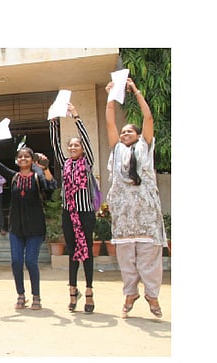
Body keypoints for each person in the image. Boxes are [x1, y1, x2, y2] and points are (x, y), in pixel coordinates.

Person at [105, 78, 167, 319]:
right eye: (122, 132)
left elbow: (148, 118)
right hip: (124, 216)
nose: (124, 134)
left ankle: (152, 295)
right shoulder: (117, 149)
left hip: (146, 215)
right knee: (126, 258)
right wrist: (111, 97)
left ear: (138, 134)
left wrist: (136, 92)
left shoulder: (144, 147)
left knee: (149, 258)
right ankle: (130, 294)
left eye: (129, 131)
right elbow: (109, 122)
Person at [0, 136, 57, 309]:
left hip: (35, 227)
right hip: (16, 228)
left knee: (31, 261)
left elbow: (52, 187)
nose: (23, 159)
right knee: (16, 262)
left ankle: (36, 296)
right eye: (20, 156)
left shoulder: (38, 177)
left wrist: (46, 168)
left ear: (32, 160)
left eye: (27, 156)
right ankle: (21, 295)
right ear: (16, 160)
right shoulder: (14, 177)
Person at [49, 103, 97, 313]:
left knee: (87, 252)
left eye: (77, 145)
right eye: (71, 146)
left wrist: (76, 117)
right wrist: (53, 122)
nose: (73, 148)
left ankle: (89, 291)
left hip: (85, 213)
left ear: (82, 149)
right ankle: (72, 290)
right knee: (72, 251)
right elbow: (55, 144)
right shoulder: (65, 164)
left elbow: (86, 139)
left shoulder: (88, 163)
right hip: (68, 213)